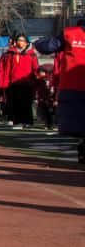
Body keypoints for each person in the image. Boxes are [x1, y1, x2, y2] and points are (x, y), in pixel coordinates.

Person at [33, 16, 85, 166]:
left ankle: (82, 146)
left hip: (73, 85)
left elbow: (47, 46)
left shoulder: (70, 34)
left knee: (77, 123)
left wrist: (37, 42)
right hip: (73, 85)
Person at [0, 34, 40, 128]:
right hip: (14, 83)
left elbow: (35, 68)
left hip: (27, 83)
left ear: (26, 43)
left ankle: (28, 121)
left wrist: (37, 78)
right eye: (19, 40)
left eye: (22, 40)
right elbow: (6, 69)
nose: (20, 42)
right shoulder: (10, 54)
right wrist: (4, 83)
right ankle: (18, 122)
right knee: (16, 103)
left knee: (27, 103)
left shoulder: (31, 54)